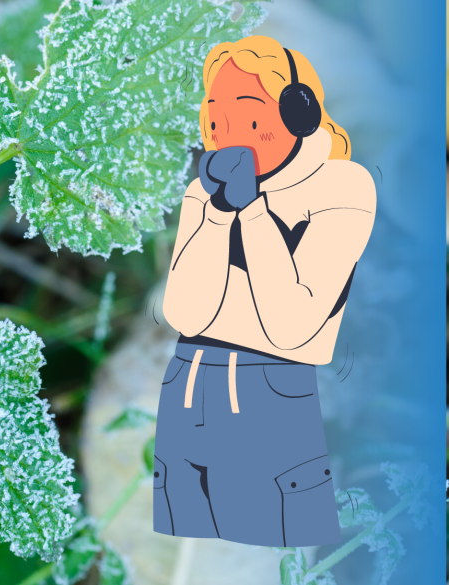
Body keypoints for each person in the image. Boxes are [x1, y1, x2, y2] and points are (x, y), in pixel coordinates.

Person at [154, 35, 375, 547]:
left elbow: (292, 324)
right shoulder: (204, 192)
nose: (230, 141)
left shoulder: (343, 189)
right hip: (189, 378)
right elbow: (185, 310)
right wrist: (214, 214)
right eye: (215, 124)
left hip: (267, 385)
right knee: (187, 554)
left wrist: (252, 212)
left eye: (250, 122)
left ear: (300, 114)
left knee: (269, 550)